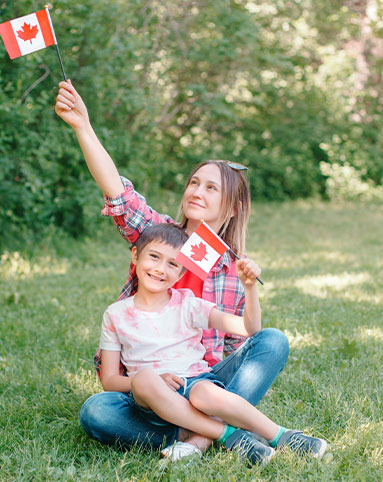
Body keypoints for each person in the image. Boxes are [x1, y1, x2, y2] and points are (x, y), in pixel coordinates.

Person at [54, 80, 327, 460]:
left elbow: (238, 344)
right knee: (97, 411)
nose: (197, 191)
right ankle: (217, 435)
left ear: (231, 208)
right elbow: (117, 193)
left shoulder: (232, 268)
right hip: (150, 391)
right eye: (194, 182)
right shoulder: (159, 237)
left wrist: (248, 292)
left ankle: (196, 437)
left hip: (204, 385)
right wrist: (83, 126)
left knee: (272, 340)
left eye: (212, 188)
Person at [99, 223, 328, 465]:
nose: (160, 269)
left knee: (208, 390)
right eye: (154, 257)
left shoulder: (187, 303)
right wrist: (155, 380)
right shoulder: (115, 314)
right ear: (135, 256)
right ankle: (227, 433)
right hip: (152, 401)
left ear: (180, 273)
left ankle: (281, 436)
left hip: (196, 384)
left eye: (172, 264)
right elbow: (109, 380)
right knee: (108, 402)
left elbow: (249, 329)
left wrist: (249, 288)